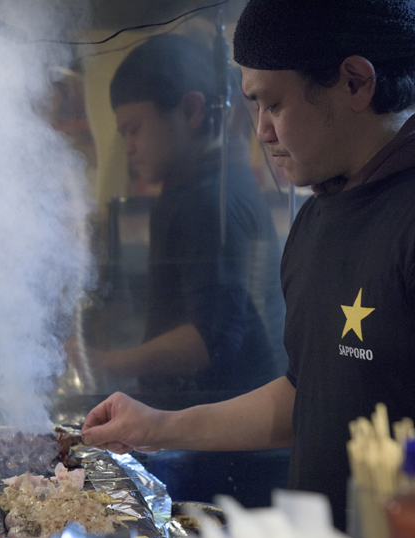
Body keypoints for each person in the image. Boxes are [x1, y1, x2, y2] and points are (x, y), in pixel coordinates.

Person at [80, 0, 415, 531]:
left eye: (271, 105)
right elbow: (309, 395)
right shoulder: (320, 214)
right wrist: (157, 426)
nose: (261, 132)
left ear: (355, 82)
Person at [67, 33, 290, 505]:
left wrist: (103, 362)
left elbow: (207, 339)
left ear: (190, 111)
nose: (126, 145)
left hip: (229, 449)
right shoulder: (187, 188)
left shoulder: (210, 200)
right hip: (203, 433)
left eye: (134, 128)